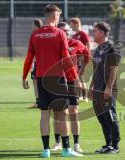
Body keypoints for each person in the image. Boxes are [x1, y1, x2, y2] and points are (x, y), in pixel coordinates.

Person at [22, 4, 83, 158]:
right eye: (58, 16)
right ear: (55, 16)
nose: (59, 19)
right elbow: (67, 59)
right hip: (57, 80)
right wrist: (75, 78)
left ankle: (46, 151)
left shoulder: (35, 35)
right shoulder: (60, 34)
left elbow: (29, 58)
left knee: (44, 115)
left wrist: (24, 77)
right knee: (61, 114)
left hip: (41, 79)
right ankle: (66, 149)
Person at [51, 22, 90, 153]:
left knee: (74, 112)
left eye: (67, 30)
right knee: (59, 113)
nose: (66, 32)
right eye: (63, 30)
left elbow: (87, 55)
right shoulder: (53, 45)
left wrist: (81, 72)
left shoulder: (76, 43)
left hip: (72, 81)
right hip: (58, 82)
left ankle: (76, 144)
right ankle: (58, 143)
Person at [88, 21, 121, 154]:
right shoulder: (97, 50)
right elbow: (95, 70)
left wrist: (108, 88)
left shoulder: (112, 48)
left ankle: (115, 145)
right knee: (101, 116)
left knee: (110, 115)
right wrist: (91, 86)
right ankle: (108, 144)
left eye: (95, 31)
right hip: (97, 88)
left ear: (102, 33)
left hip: (108, 89)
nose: (93, 34)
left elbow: (114, 69)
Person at [69, 17, 91, 102]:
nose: (71, 27)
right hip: (76, 60)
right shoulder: (74, 35)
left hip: (82, 59)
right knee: (77, 77)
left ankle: (84, 96)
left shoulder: (82, 34)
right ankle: (80, 95)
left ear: (76, 24)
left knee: (80, 77)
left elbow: (88, 46)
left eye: (72, 24)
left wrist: (85, 57)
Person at [28, 18, 42, 109]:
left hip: (37, 62)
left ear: (36, 25)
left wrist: (32, 63)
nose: (31, 26)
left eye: (32, 24)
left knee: (36, 83)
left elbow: (33, 51)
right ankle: (42, 102)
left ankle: (38, 102)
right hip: (43, 62)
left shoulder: (35, 35)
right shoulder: (43, 34)